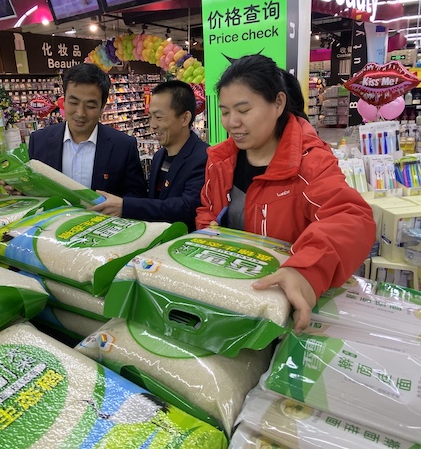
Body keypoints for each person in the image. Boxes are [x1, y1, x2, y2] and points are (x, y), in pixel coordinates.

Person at [196, 54, 375, 332]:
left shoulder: (310, 163)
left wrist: (305, 270)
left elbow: (352, 219)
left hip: (283, 307)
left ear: (278, 103)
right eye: (225, 111)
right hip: (230, 297)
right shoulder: (220, 161)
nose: (231, 122)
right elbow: (208, 209)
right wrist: (210, 234)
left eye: (244, 110)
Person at [91, 80, 208, 231]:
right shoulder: (159, 156)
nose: (153, 125)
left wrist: (126, 206)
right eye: (150, 117)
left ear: (185, 118)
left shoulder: (203, 158)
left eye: (159, 117)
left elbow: (187, 207)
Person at [28, 63, 147, 199]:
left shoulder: (123, 146)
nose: (80, 113)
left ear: (102, 107)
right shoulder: (39, 141)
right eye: (73, 103)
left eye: (90, 106)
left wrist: (119, 205)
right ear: (63, 101)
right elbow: (31, 188)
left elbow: (137, 196)